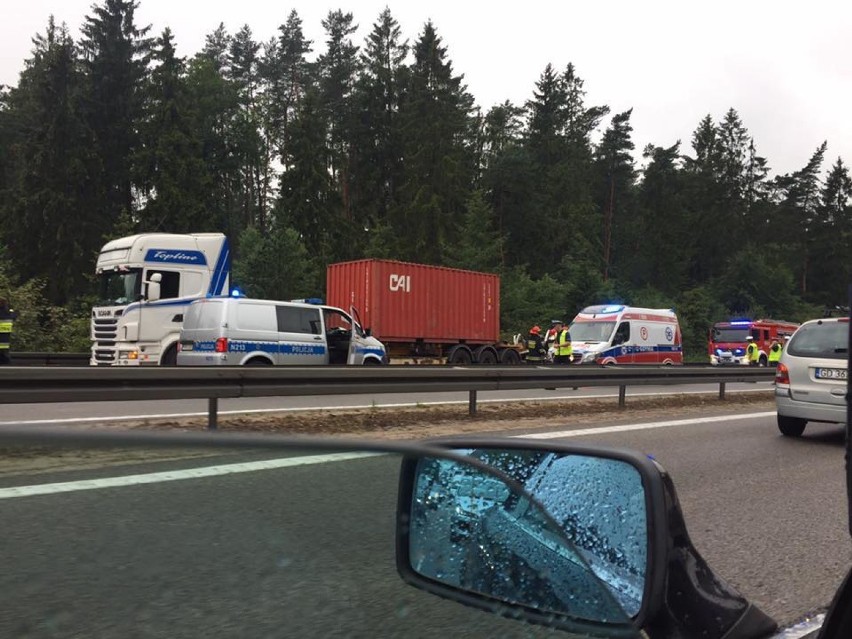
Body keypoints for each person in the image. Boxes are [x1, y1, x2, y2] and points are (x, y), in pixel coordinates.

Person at [0, 297, 16, 366]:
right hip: (5, 337)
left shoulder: (5, 312)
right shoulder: (8, 312)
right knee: (4, 353)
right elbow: (14, 316)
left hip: (3, 336)